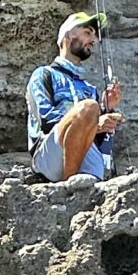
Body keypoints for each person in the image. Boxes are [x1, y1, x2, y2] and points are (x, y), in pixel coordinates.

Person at [28, 10, 122, 184]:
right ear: (67, 35)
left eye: (94, 36)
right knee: (89, 108)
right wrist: (90, 120)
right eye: (87, 32)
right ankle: (68, 185)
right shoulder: (43, 74)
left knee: (92, 108)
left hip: (86, 154)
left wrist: (107, 109)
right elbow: (45, 119)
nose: (94, 40)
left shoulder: (90, 89)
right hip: (49, 157)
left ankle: (88, 187)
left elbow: (97, 139)